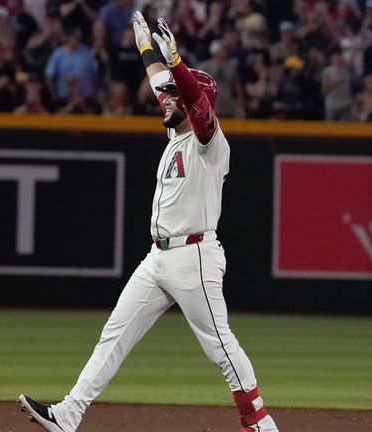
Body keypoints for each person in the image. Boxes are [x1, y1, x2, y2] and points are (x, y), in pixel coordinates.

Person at [17, 11, 281, 432]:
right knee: (114, 335)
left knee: (220, 347)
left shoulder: (208, 143)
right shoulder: (177, 133)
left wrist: (177, 65)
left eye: (175, 95)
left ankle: (260, 423)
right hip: (157, 258)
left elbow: (193, 103)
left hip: (195, 257)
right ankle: (69, 415)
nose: (167, 98)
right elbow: (167, 87)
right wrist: (146, 49)